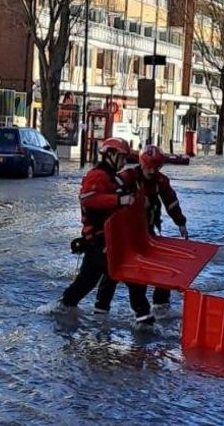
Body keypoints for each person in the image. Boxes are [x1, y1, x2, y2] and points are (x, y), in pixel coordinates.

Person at [58, 138, 153, 324]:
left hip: (112, 241)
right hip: (99, 241)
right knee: (125, 278)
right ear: (110, 155)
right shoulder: (97, 176)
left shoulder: (115, 177)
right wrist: (119, 201)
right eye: (122, 157)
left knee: (91, 281)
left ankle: (75, 309)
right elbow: (88, 199)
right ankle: (144, 320)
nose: (124, 161)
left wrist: (139, 200)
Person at [95, 145, 189, 318]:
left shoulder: (161, 181)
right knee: (114, 269)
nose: (152, 171)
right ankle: (102, 307)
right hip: (125, 233)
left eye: (157, 167)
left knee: (161, 264)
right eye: (149, 167)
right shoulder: (126, 177)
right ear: (141, 164)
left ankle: (160, 303)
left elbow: (171, 202)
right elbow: (109, 199)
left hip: (147, 232)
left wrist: (180, 222)